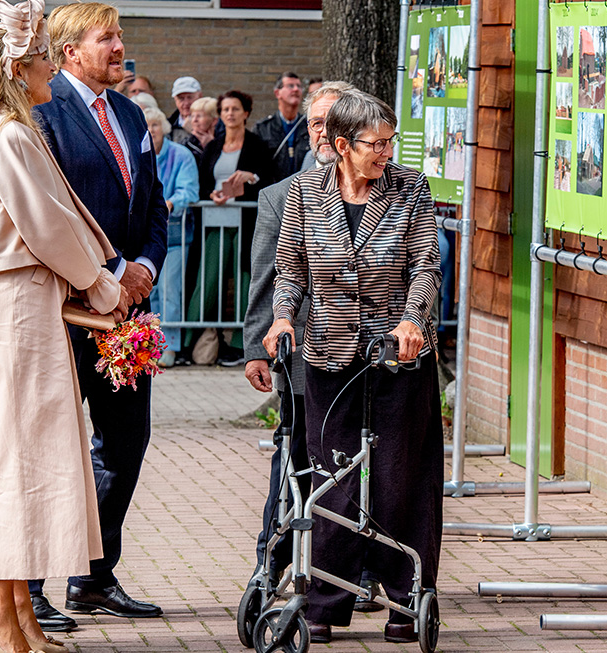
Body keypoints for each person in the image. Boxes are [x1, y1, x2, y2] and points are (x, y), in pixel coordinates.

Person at [0, 1, 130, 650]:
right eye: (43, 58)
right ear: (18, 67)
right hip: (16, 303)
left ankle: (17, 608)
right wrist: (102, 284)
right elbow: (47, 224)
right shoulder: (7, 135)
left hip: (24, 302)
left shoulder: (6, 131)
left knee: (31, 456)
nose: (53, 66)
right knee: (19, 459)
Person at [264, 90, 443, 645]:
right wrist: (281, 319)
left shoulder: (410, 188)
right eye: (375, 144)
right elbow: (291, 272)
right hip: (329, 355)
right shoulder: (304, 192)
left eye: (391, 142)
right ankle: (325, 595)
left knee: (399, 477)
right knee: (333, 476)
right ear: (341, 145)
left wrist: (413, 321)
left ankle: (406, 595)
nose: (386, 152)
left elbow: (425, 266)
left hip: (398, 355)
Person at [29, 0, 169, 630]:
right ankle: (29, 586)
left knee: (127, 440)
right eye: (106, 38)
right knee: (49, 451)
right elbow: (49, 215)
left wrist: (144, 267)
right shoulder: (42, 110)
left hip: (126, 313)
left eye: (120, 36)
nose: (119, 47)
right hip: (64, 311)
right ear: (68, 51)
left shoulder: (130, 112)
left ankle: (92, 573)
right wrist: (107, 274)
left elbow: (155, 205)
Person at [243, 82, 377, 637]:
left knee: (357, 466)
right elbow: (266, 281)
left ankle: (357, 572)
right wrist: (255, 346)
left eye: (332, 122)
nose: (322, 132)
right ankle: (272, 565)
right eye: (315, 123)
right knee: (294, 464)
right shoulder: (283, 195)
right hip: (300, 356)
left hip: (362, 362)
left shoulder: (384, 191)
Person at [187, 89, 271, 366]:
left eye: (235, 109)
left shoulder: (258, 145)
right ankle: (193, 339)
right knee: (208, 281)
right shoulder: (213, 146)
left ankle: (240, 344)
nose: (230, 114)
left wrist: (252, 177)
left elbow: (272, 182)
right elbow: (201, 183)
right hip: (215, 222)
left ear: (246, 113)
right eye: (225, 110)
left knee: (246, 282)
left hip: (246, 223)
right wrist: (211, 195)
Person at [143, 106, 197, 368]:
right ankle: (152, 345)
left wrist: (171, 203)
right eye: (147, 125)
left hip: (174, 235)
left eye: (155, 125)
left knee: (169, 292)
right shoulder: (140, 153)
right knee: (151, 292)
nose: (151, 130)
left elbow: (190, 191)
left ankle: (170, 347)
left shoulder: (181, 155)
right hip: (145, 236)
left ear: (163, 128)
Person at [253, 72, 311, 182]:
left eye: (299, 86)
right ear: (277, 93)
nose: (296, 89)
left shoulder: (309, 126)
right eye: (290, 86)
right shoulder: (263, 128)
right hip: (273, 190)